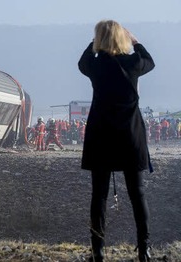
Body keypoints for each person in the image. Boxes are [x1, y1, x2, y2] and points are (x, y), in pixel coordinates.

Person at [78, 20, 155, 262]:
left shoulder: (96, 66)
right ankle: (144, 250)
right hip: (129, 135)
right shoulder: (133, 64)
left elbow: (82, 62)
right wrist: (136, 41)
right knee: (137, 194)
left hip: (101, 136)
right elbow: (150, 61)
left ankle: (98, 251)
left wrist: (97, 41)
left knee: (98, 196)